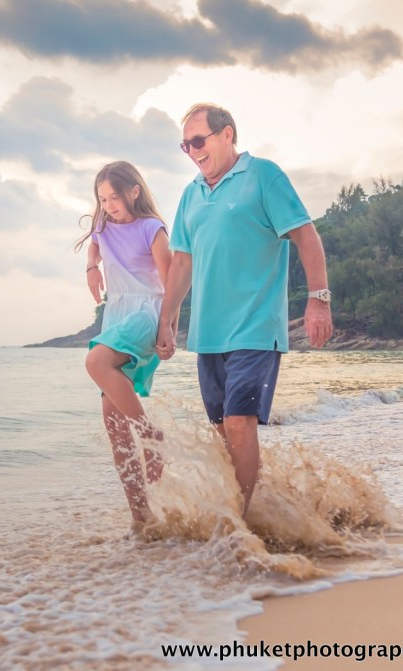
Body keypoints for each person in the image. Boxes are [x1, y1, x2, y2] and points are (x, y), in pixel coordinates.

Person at [156, 103, 333, 518]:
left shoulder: (263, 175)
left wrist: (318, 299)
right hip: (207, 335)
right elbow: (182, 263)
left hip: (256, 327)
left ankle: (238, 521)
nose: (192, 151)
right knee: (223, 430)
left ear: (227, 134)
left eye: (198, 141)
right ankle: (253, 506)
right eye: (185, 145)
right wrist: (166, 320)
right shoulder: (191, 193)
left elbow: (305, 235)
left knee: (239, 422)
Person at [77, 160, 174, 531]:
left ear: (134, 191)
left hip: (147, 312)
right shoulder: (102, 226)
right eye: (102, 199)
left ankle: (151, 434)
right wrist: (91, 268)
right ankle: (142, 519)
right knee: (114, 423)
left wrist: (169, 329)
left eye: (114, 197)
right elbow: (94, 246)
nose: (108, 205)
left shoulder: (152, 228)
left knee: (96, 361)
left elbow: (172, 283)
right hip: (116, 316)